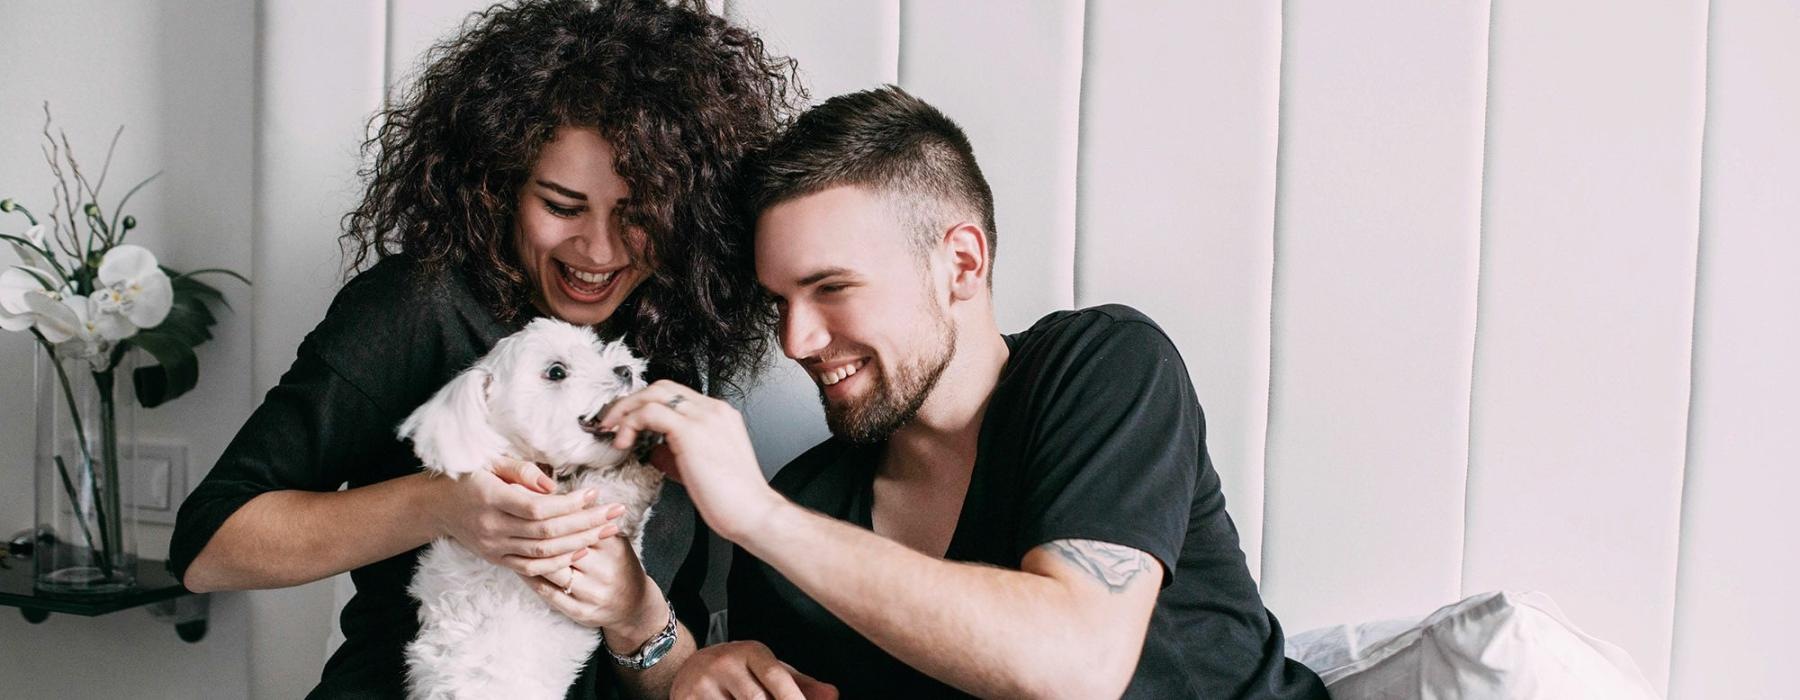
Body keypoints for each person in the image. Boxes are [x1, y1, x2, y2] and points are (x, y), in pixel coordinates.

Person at [592, 86, 1331, 698]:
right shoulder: (806, 507)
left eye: (832, 288)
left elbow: (1077, 663)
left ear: (963, 265)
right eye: (780, 302)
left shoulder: (1102, 365)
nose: (796, 341)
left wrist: (758, 515)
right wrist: (699, 668)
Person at [168, 1, 799, 697]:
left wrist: (638, 618)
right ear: (500, 185)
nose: (598, 251)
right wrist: (442, 506)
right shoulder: (420, 305)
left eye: (639, 216)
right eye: (561, 206)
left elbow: (652, 660)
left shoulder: (670, 341)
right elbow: (208, 549)